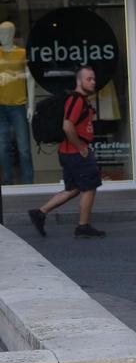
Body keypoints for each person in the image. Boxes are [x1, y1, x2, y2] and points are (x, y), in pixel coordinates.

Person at [27, 66, 105, 238]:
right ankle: (83, 227)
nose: (93, 82)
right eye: (88, 79)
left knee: (74, 188)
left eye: (93, 78)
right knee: (89, 187)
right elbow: (67, 126)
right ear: (79, 81)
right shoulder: (76, 100)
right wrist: (80, 147)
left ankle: (40, 213)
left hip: (69, 152)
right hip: (76, 153)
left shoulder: (81, 100)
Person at [0, 21, 33, 184]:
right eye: (0, 33)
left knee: (24, 148)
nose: (2, 36)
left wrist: (31, 105)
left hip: (18, 106)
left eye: (5, 33)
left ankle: (28, 184)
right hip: (0, 107)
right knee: (3, 148)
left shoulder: (22, 53)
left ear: (12, 34)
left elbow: (30, 80)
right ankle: (7, 184)